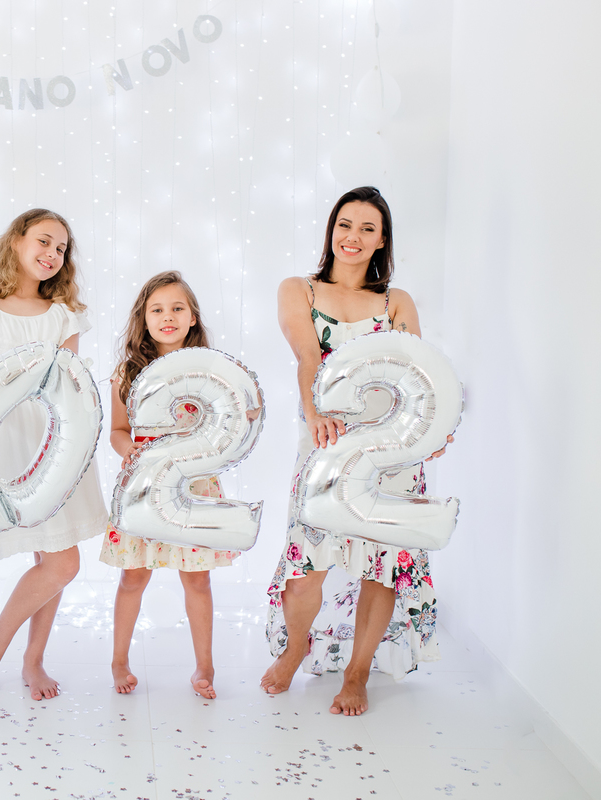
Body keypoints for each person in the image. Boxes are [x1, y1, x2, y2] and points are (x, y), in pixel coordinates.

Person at [259, 186, 450, 715]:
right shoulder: (299, 289)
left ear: (382, 240)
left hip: (392, 450)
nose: (354, 237)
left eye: (368, 228)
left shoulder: (396, 302)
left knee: (381, 565)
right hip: (327, 444)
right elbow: (307, 353)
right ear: (331, 229)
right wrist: (315, 414)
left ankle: (358, 672)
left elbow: (418, 374)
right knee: (306, 569)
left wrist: (434, 429)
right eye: (345, 224)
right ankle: (295, 649)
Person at [0, 208, 108, 700]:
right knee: (58, 562)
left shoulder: (63, 314)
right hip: (8, 438)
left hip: (56, 439)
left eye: (61, 248)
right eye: (43, 241)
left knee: (56, 559)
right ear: (16, 240)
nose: (52, 254)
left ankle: (30, 658)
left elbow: (69, 381)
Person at [100, 271, 239, 699]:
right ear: (143, 319)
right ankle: (119, 660)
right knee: (133, 577)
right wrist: (131, 451)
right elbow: (118, 431)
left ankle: (205, 666)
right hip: (143, 486)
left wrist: (244, 413)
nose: (168, 317)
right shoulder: (128, 372)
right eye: (157, 310)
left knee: (197, 579)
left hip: (194, 486)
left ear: (192, 317)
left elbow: (232, 418)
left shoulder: (211, 370)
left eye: (178, 308)